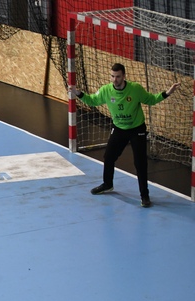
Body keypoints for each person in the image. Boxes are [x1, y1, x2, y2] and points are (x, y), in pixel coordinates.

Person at [70, 63, 181, 207]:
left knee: (140, 162)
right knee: (109, 157)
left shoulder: (135, 89)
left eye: (117, 77)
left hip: (137, 129)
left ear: (124, 76)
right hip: (119, 129)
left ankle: (144, 195)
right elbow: (92, 100)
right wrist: (78, 93)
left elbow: (151, 100)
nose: (114, 80)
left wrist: (168, 92)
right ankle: (107, 184)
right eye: (112, 76)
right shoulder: (106, 90)